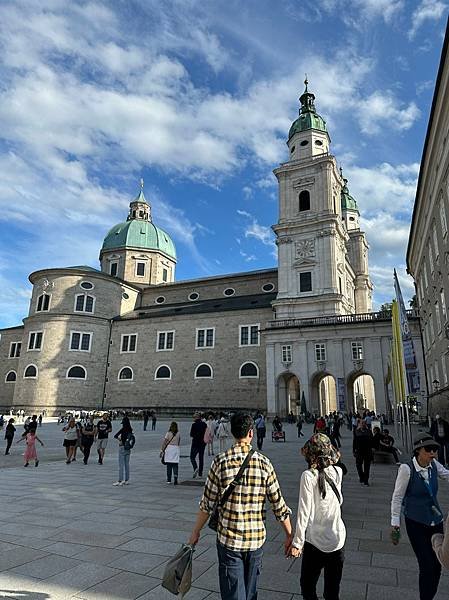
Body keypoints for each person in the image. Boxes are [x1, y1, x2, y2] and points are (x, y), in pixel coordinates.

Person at [188, 411, 293, 600]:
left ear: (230, 432)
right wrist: (289, 535)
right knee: (250, 593)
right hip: (256, 541)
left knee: (233, 594)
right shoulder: (264, 463)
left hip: (229, 541)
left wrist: (196, 531)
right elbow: (279, 506)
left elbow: (207, 505)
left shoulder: (220, 462)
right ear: (251, 433)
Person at [288, 433, 346, 600]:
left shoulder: (308, 476)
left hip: (315, 542)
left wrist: (297, 543)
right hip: (337, 540)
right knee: (332, 590)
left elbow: (303, 512)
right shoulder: (338, 472)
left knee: (307, 586)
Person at [391, 434, 449, 600]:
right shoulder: (406, 469)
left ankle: (429, 596)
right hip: (416, 522)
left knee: (437, 564)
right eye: (429, 450)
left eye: (435, 450)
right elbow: (397, 497)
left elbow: (447, 475)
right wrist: (395, 524)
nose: (433, 453)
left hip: (435, 520)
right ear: (418, 451)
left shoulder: (434, 466)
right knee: (426, 565)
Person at [113, 416, 135, 486]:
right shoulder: (130, 430)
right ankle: (127, 480)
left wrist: (120, 440)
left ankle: (120, 480)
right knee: (127, 465)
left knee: (121, 465)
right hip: (128, 448)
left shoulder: (123, 429)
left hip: (122, 447)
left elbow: (115, 435)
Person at [353, 418, 373, 486]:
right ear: (359, 424)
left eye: (364, 423)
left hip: (367, 451)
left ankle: (366, 480)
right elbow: (354, 441)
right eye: (361, 423)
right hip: (359, 451)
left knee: (367, 467)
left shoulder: (369, 432)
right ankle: (361, 476)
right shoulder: (356, 431)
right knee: (358, 465)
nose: (363, 425)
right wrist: (354, 450)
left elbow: (371, 441)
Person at [190, 413, 207, 478]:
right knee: (201, 458)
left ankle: (195, 468)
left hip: (195, 444)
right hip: (202, 444)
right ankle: (200, 474)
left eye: (194, 417)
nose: (193, 419)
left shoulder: (194, 425)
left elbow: (191, 434)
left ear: (196, 418)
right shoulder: (204, 424)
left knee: (192, 457)